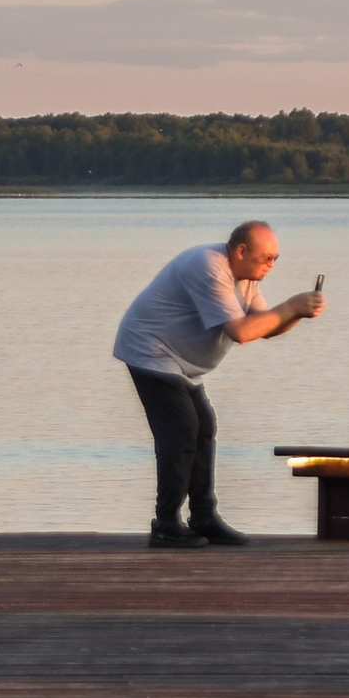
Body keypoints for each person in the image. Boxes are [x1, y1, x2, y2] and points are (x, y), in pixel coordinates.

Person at [113, 220, 325, 548]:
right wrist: (291, 306)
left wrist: (297, 313)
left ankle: (203, 517)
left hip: (179, 362)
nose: (272, 265)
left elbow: (265, 327)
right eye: (267, 258)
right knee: (181, 428)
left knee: (203, 426)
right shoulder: (210, 267)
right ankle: (166, 524)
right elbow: (241, 332)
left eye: (275, 259)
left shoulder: (246, 278)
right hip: (150, 350)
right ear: (241, 251)